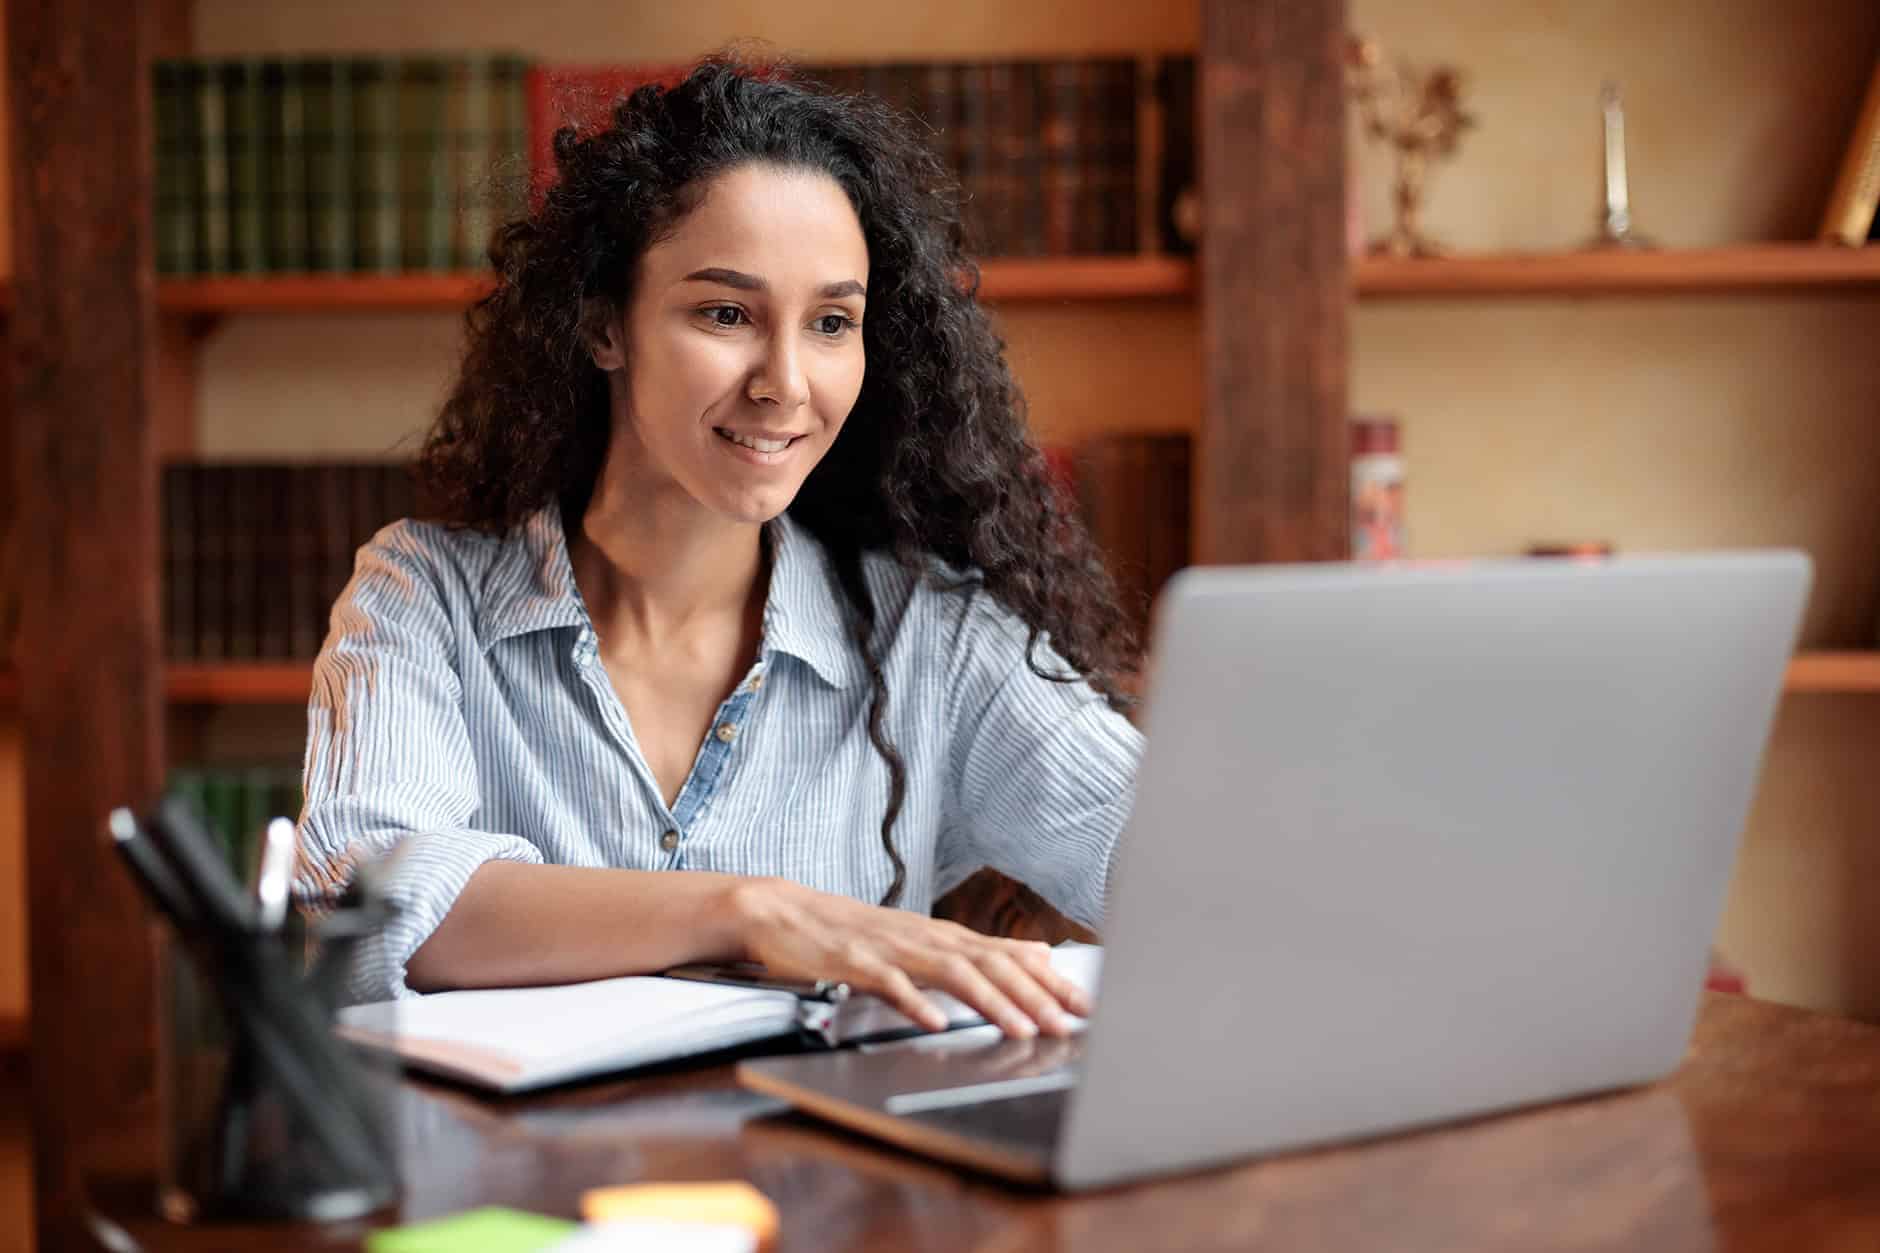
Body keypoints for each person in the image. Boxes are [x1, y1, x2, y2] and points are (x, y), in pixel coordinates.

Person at [297, 57, 1143, 1039]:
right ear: (604, 324)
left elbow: (1178, 867)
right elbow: (366, 916)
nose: (784, 381)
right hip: (521, 1188)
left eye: (831, 322)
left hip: (836, 1188)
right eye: (726, 313)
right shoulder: (423, 595)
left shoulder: (934, 638)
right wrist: (748, 911)